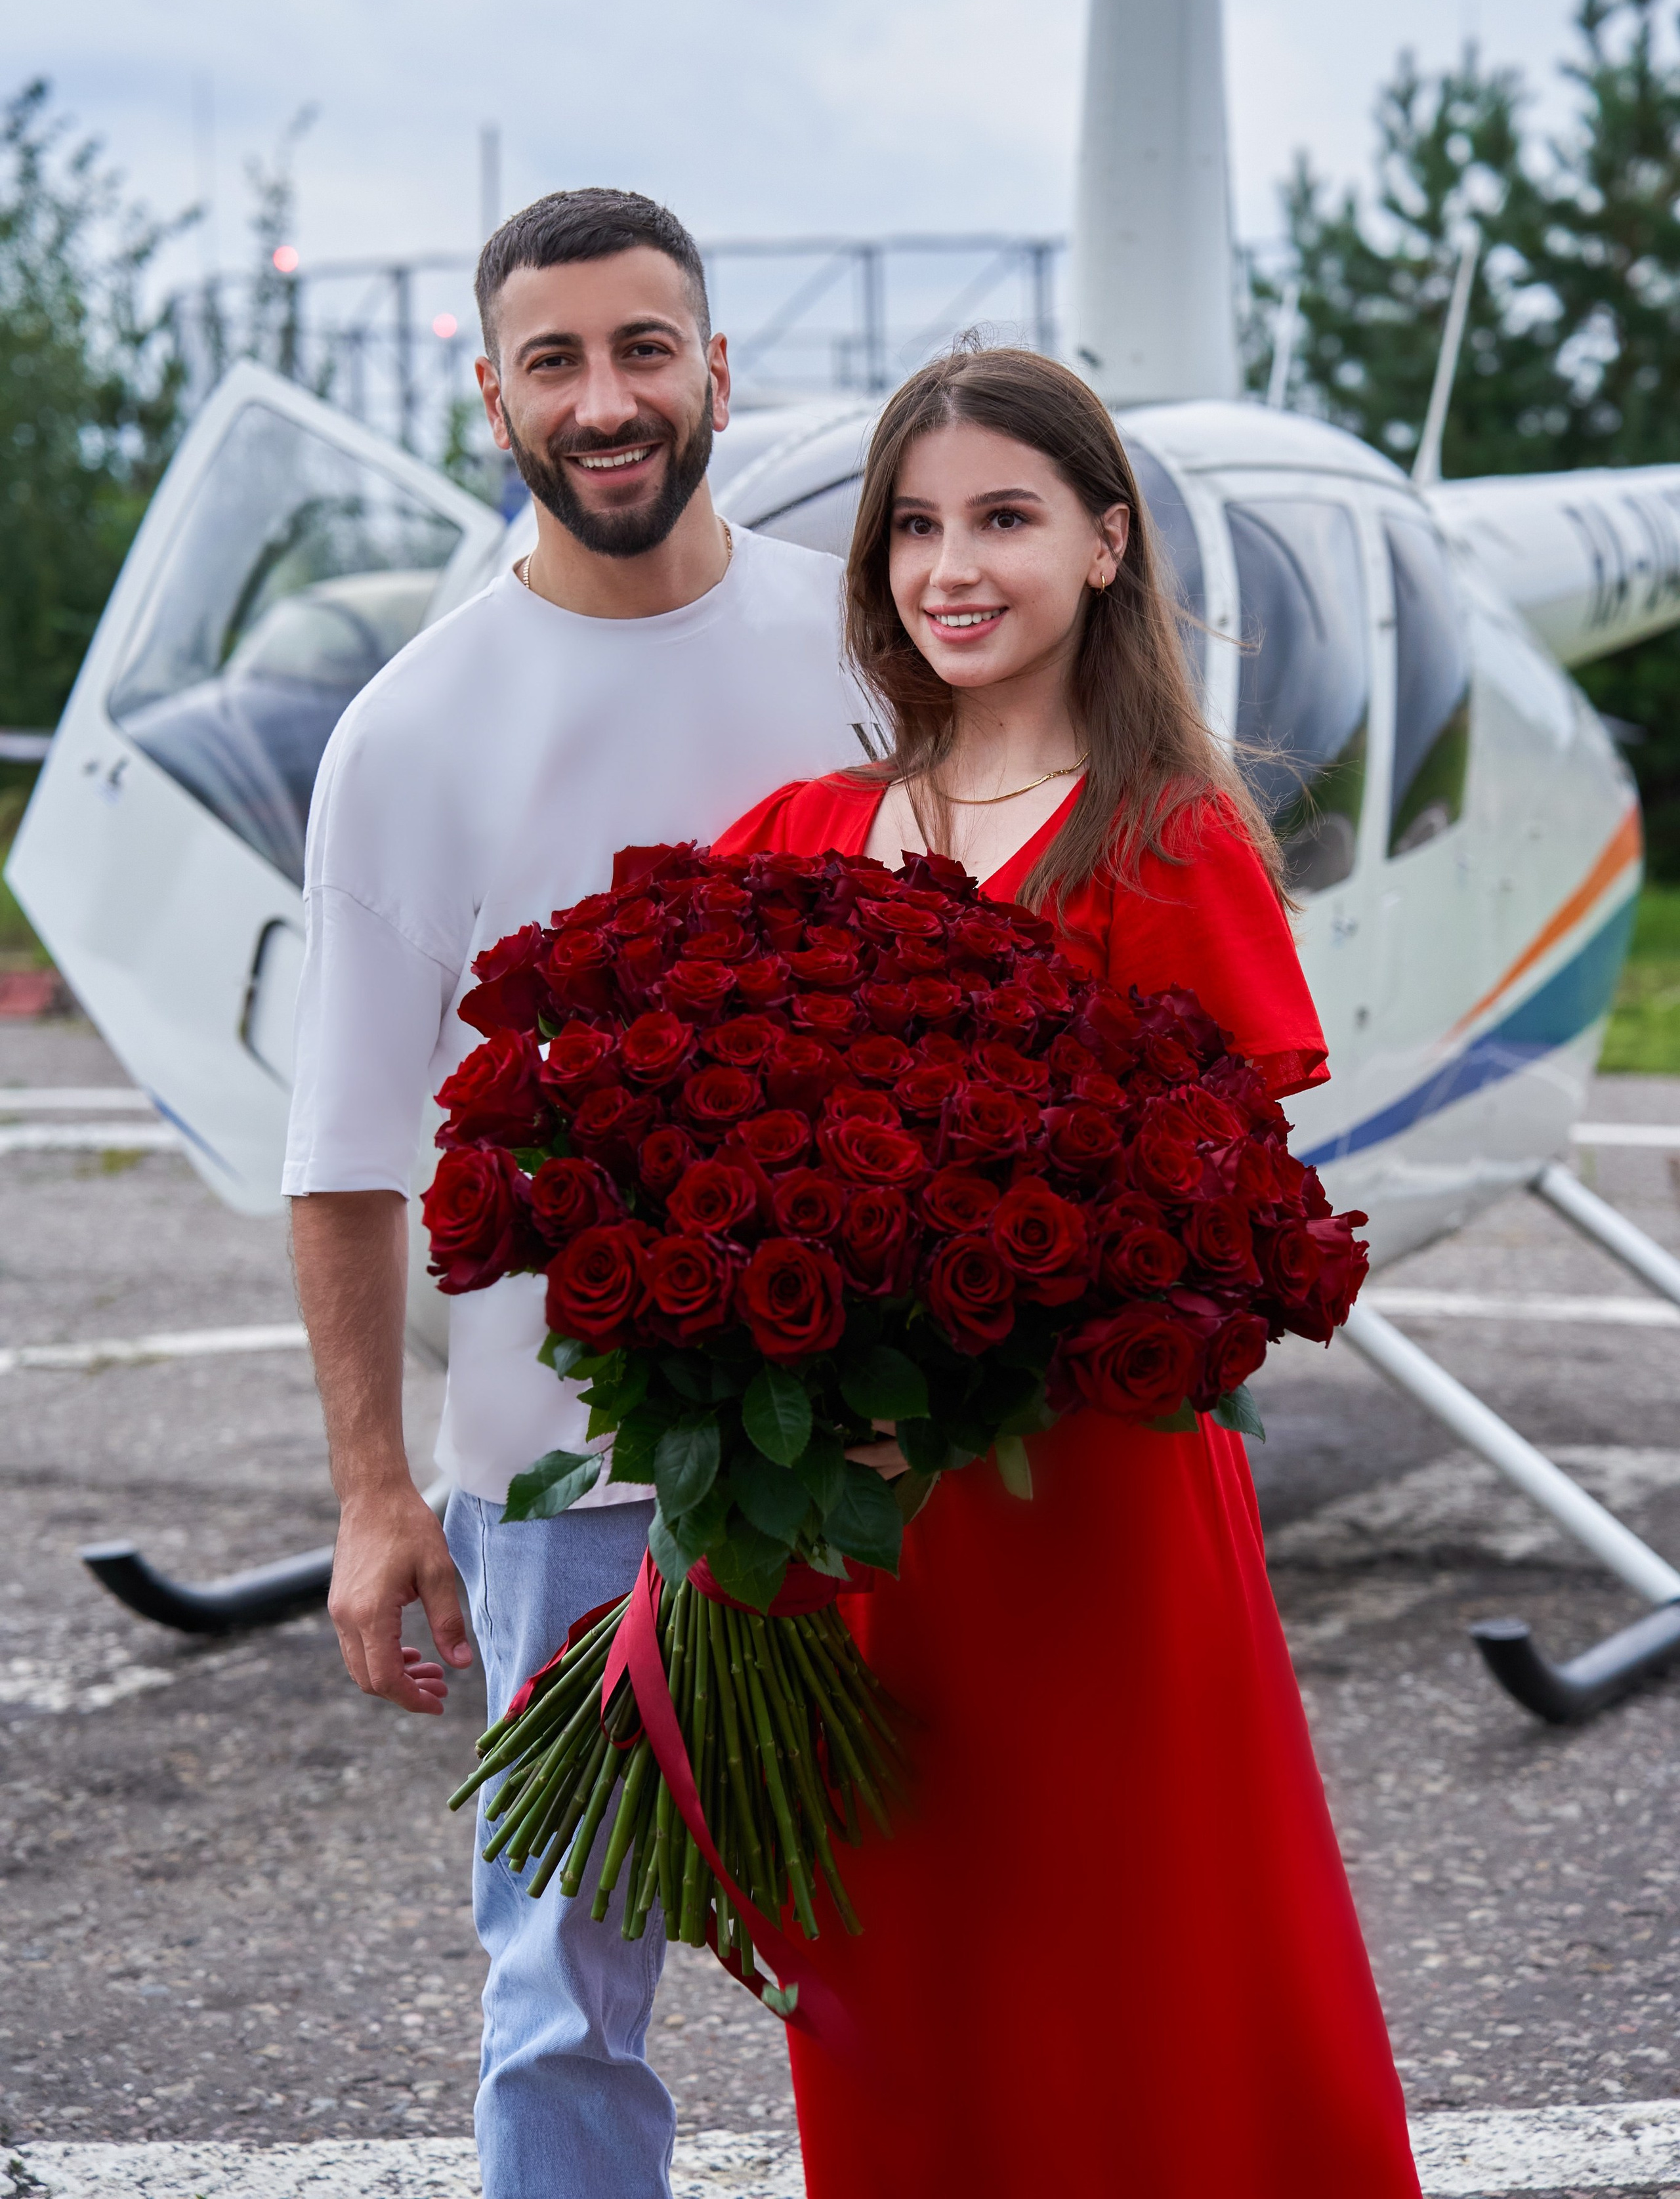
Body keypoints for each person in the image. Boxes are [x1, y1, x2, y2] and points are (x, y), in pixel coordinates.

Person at [714, 346, 1423, 2199]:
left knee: (1144, 1979)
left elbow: (1219, 1247)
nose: (954, 566)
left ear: (1109, 546)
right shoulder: (793, 841)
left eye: (1007, 520)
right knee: (904, 2008)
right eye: (917, 527)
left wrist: (941, 1401)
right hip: (855, 1552)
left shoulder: (1170, 844)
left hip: (1084, 1533)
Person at [283, 188, 868, 2199]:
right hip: (551, 1491)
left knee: (906, 1976)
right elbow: (344, 1160)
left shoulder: (865, 652)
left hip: (873, 1450)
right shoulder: (412, 731)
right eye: (557, 361)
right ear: (492, 397)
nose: (605, 400)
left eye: (644, 350)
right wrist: (374, 1495)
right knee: (557, 2006)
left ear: (719, 370)